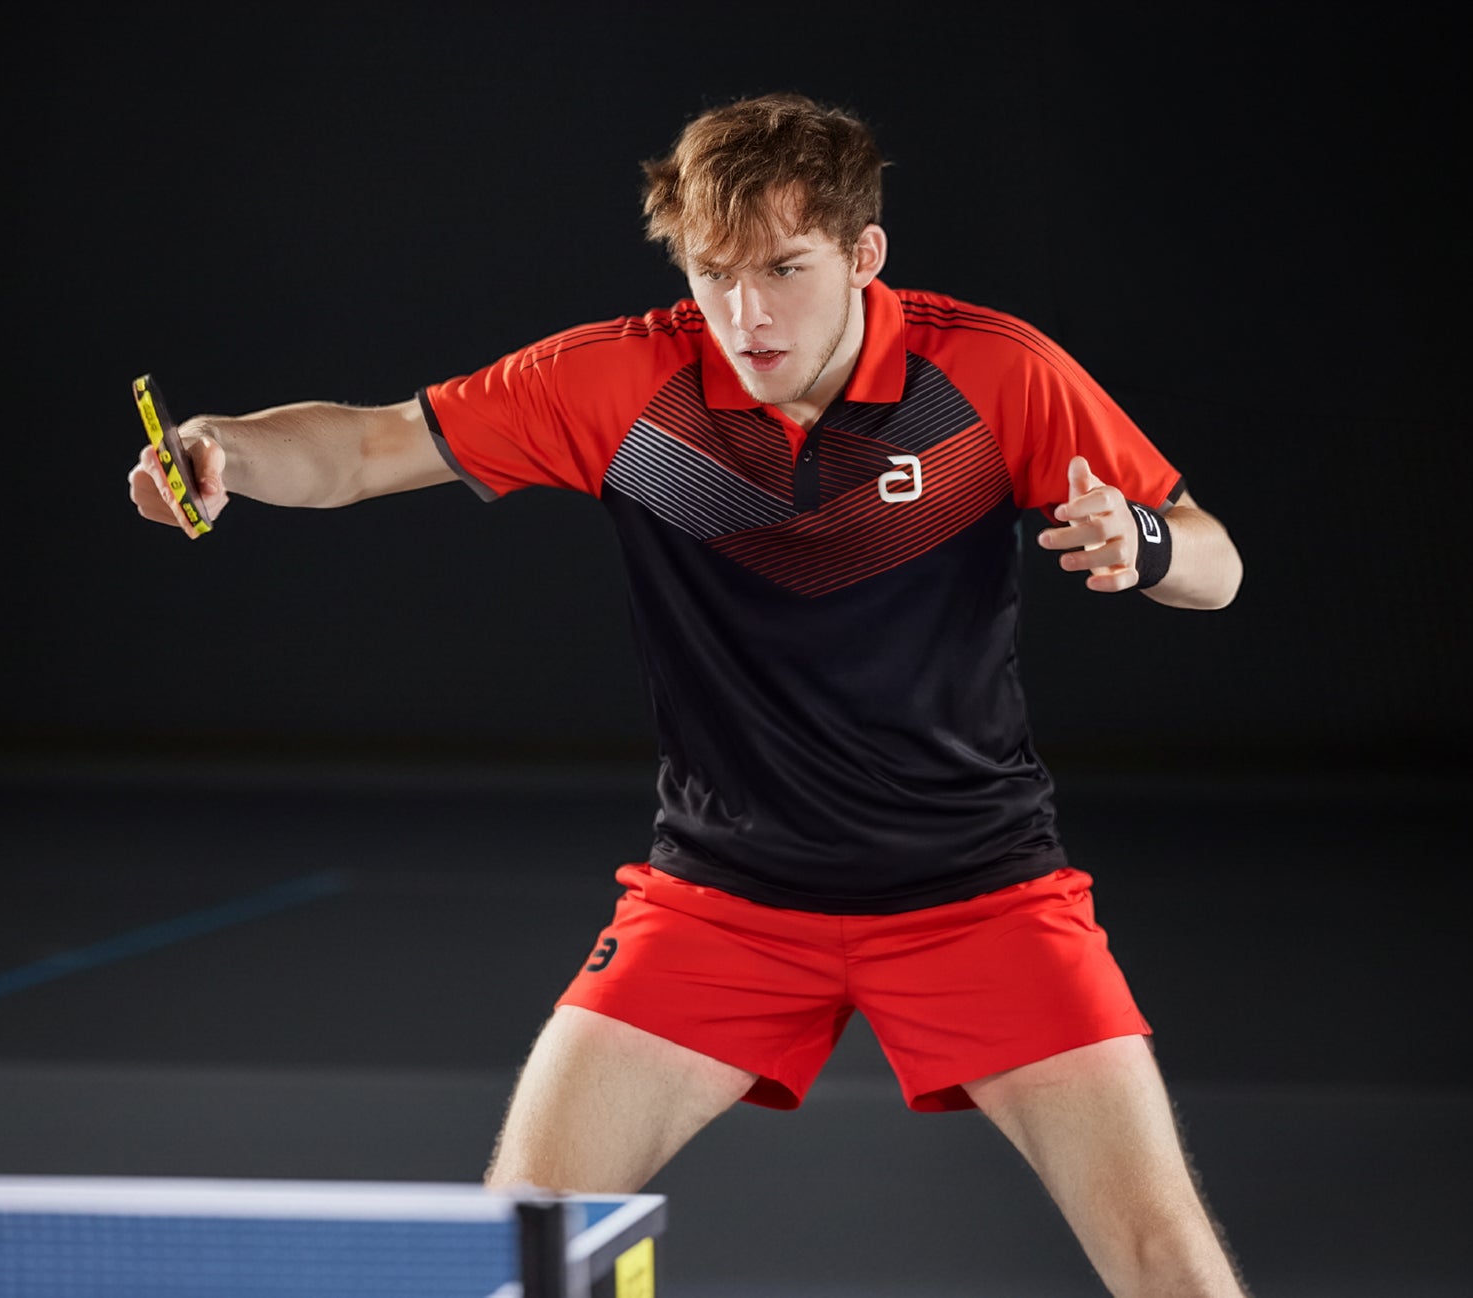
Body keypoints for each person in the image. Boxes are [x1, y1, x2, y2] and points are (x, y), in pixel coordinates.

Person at [130, 92, 1247, 1296]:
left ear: (863, 254)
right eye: (715, 273)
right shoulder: (623, 382)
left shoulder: (990, 370)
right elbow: (364, 447)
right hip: (723, 900)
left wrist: (1144, 542)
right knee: (527, 1235)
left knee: (1163, 1254)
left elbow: (1214, 560)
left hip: (978, 895)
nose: (746, 313)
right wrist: (225, 449)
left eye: (784, 268)